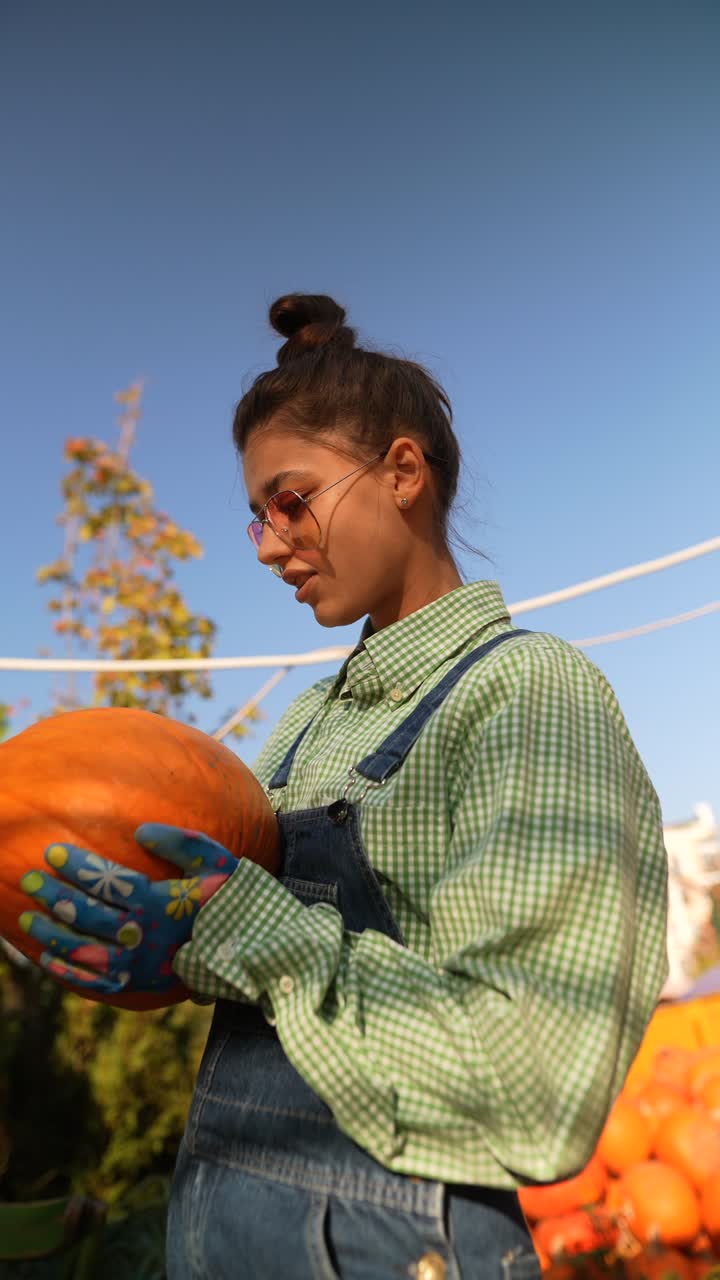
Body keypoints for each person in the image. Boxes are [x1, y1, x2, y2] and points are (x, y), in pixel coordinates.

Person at [20, 293, 669, 1280]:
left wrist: (243, 929)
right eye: (256, 517)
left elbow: (537, 1085)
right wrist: (165, 949)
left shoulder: (528, 691)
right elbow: (244, 962)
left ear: (403, 471)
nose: (267, 545)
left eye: (291, 500)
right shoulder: (301, 726)